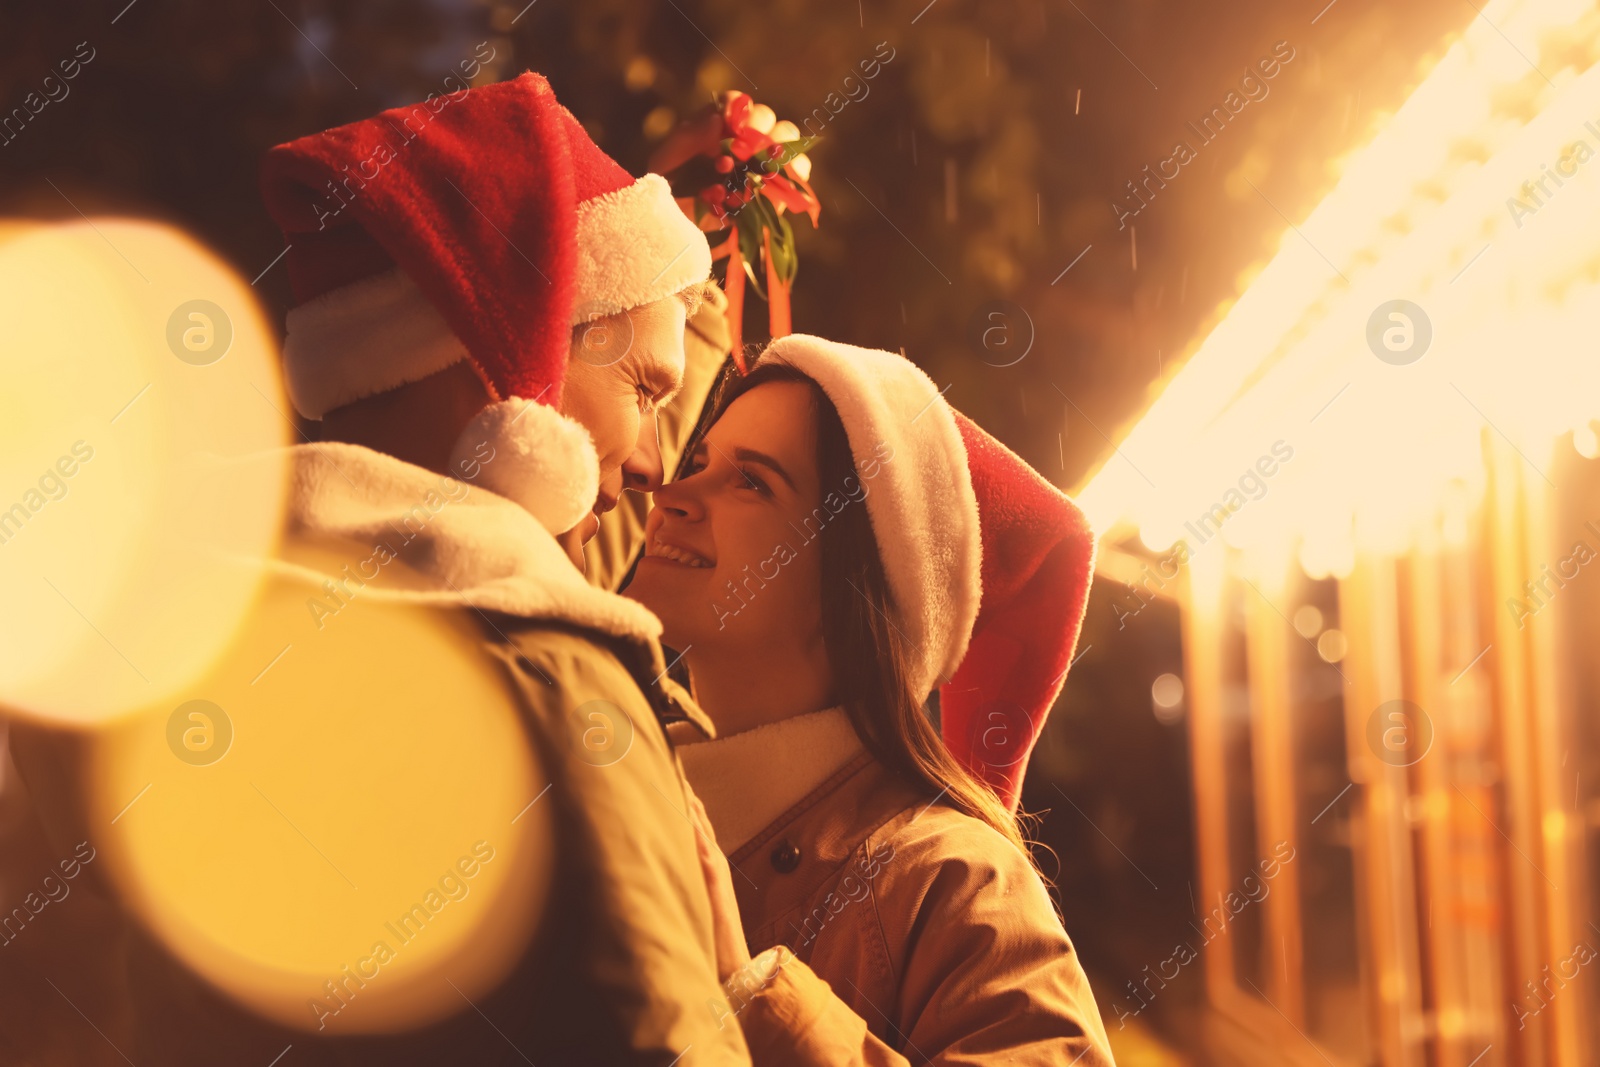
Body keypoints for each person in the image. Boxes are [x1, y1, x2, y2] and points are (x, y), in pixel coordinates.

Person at [6, 72, 755, 1065]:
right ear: (507, 363)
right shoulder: (548, 684)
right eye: (645, 389)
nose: (661, 463)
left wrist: (694, 268)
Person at [623, 335, 1115, 1065]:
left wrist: (752, 994)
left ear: (855, 581)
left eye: (751, 482)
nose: (671, 493)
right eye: (698, 462)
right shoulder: (617, 782)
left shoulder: (957, 880)